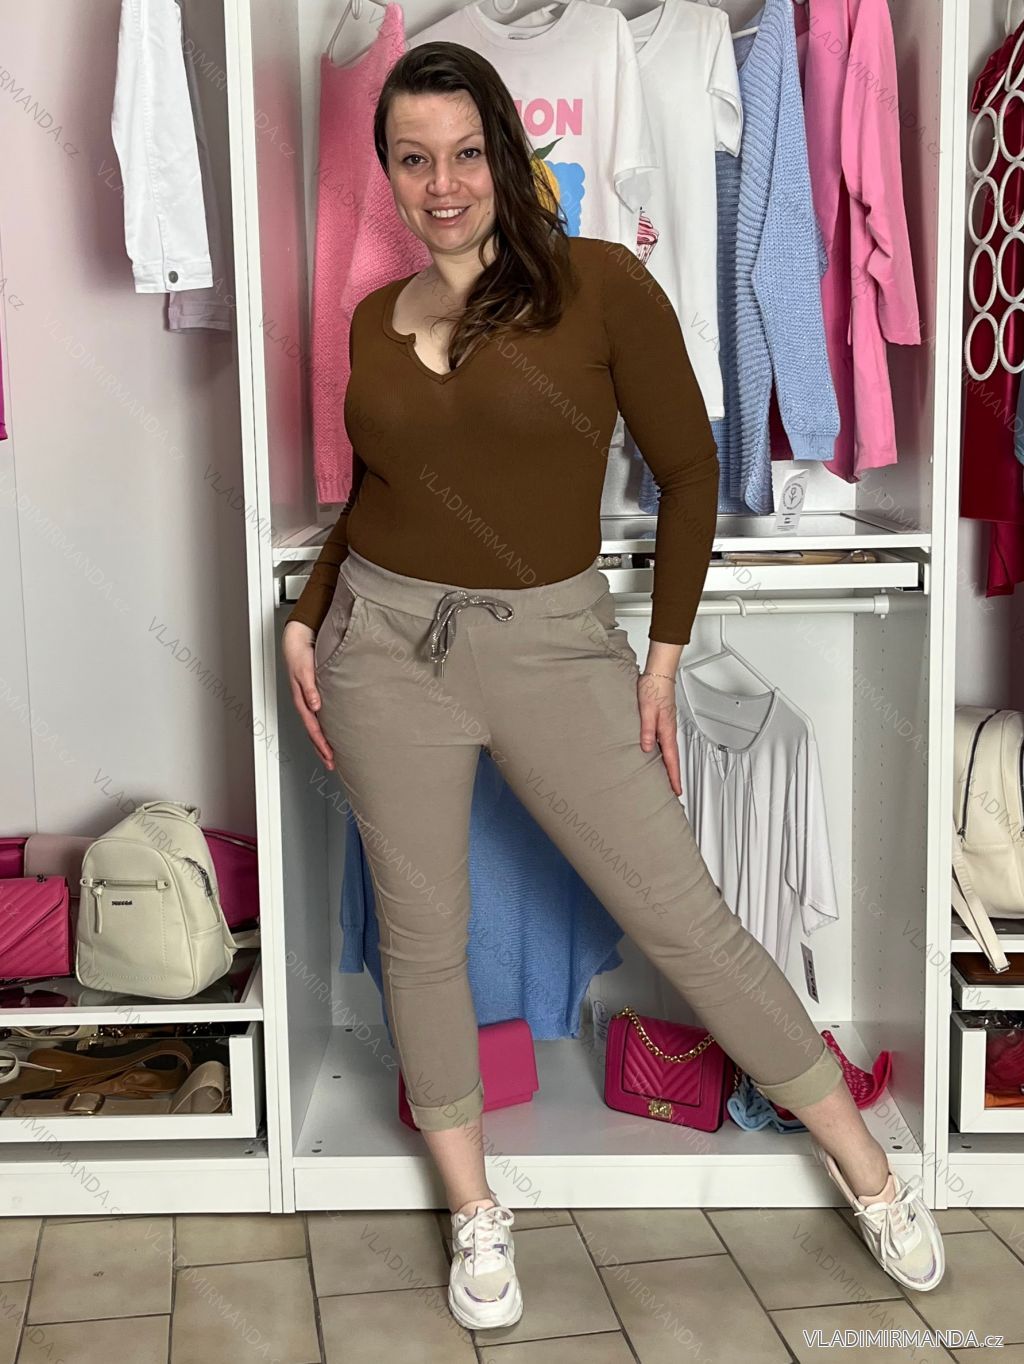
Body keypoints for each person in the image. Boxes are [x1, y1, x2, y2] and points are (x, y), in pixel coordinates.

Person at [281, 40, 944, 1333]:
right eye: (412, 161)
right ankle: (477, 1211)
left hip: (554, 646)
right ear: (389, 174)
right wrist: (309, 619)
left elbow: (689, 472)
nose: (442, 185)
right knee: (424, 935)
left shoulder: (600, 285)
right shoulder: (374, 321)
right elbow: (373, 499)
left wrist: (663, 655)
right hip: (384, 652)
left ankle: (870, 1172)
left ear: (506, 153)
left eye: (464, 154)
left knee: (685, 919)